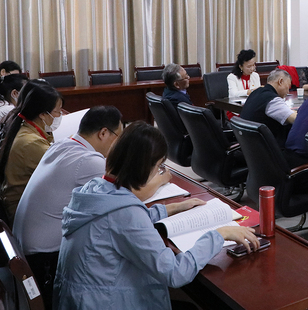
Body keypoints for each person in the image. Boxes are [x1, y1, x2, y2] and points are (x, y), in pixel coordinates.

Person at [53, 121, 259, 310]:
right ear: (145, 167)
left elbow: (117, 222)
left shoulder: (94, 188)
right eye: (159, 166)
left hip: (82, 298)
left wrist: (170, 209)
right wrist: (219, 234)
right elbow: (175, 273)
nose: (158, 172)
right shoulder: (125, 214)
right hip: (104, 302)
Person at [13, 106, 124, 309]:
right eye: (118, 138)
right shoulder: (89, 161)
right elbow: (127, 195)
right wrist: (161, 178)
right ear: (103, 133)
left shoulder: (62, 144)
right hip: (43, 260)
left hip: (23, 247)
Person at [0, 79, 64, 221]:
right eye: (57, 112)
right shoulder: (31, 143)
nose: (60, 115)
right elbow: (62, 175)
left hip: (21, 203)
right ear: (43, 114)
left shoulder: (22, 126)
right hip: (23, 213)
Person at [240, 69, 297, 147]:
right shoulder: (272, 100)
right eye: (288, 87)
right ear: (280, 82)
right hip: (266, 148)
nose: (288, 92)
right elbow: (295, 119)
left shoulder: (256, 92)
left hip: (249, 146)